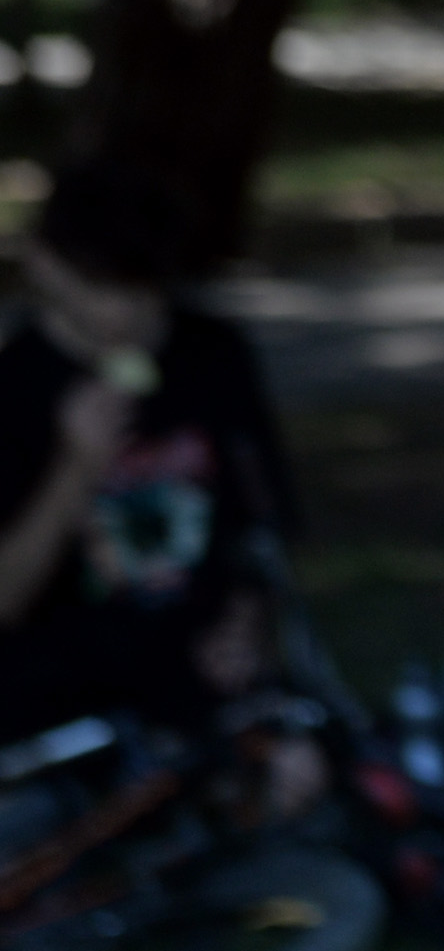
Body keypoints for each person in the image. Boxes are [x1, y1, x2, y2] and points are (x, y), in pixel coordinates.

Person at [0, 158, 298, 742]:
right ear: (43, 264)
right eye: (101, 285)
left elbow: (262, 527)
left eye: (144, 287)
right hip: (58, 703)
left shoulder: (213, 354)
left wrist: (247, 620)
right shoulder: (14, 389)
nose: (124, 311)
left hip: (200, 681)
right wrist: (76, 468)